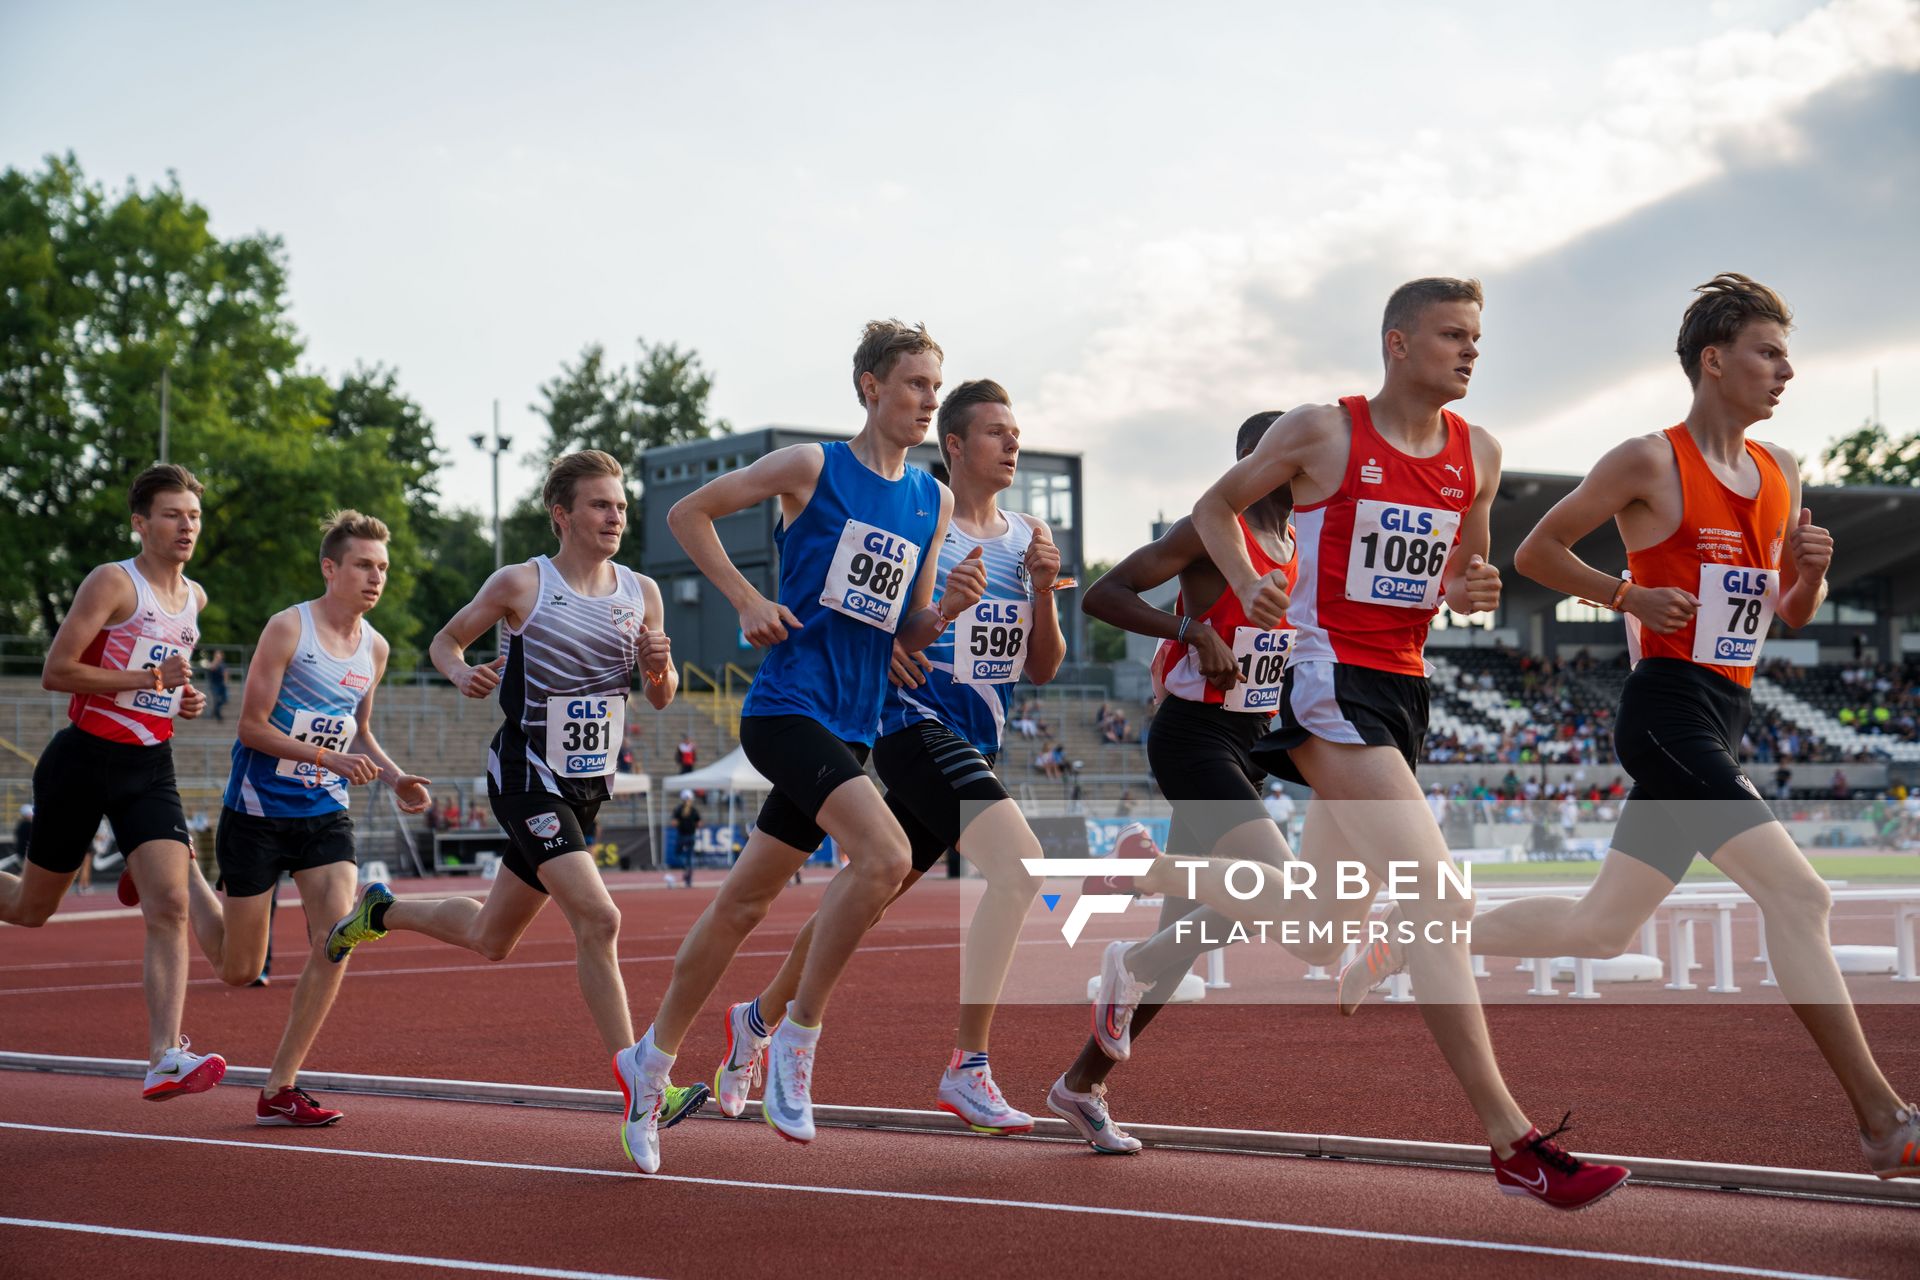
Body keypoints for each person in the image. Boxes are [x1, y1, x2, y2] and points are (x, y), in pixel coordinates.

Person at [1349, 273, 1918, 1180]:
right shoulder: (1649, 461)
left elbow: (1788, 613)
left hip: (1726, 711)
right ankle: (1884, 1120)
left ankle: (1413, 939)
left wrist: (1809, 573)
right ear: (1714, 360)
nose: (1786, 371)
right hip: (1666, 710)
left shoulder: (1781, 471)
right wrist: (1626, 592)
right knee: (1800, 896)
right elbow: (1537, 549)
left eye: (1786, 354)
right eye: (1769, 353)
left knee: (1600, 928)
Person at [1112, 279, 1628, 1208]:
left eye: (1478, 337)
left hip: (1405, 689)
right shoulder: (1325, 431)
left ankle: (1164, 876)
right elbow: (1216, 506)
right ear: (1397, 343)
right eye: (1451, 335)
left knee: (1318, 938)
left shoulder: (1481, 453)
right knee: (1438, 893)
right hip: (1324, 682)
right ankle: (1511, 1141)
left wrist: (1470, 593)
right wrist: (1250, 587)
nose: (1470, 351)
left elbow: (1462, 574)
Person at [618, 319, 982, 1173]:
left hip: (852, 725)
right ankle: (795, 1038)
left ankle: (652, 1060)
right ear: (869, 387)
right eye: (914, 385)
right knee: (887, 856)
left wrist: (950, 607)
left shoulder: (929, 500)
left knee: (742, 905)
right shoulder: (814, 468)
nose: (928, 401)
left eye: (936, 386)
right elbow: (687, 512)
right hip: (787, 709)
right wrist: (746, 598)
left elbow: (908, 629)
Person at [708, 377, 1060, 1137]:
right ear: (957, 446)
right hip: (911, 726)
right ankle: (969, 1068)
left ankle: (757, 1021)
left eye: (1017, 432)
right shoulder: (924, 509)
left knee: (865, 898)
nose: (1013, 445)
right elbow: (893, 624)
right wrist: (907, 641)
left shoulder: (1029, 537)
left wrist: (1044, 591)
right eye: (997, 432)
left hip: (980, 739)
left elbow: (1043, 668)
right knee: (1020, 866)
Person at [323, 452, 706, 1133]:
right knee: (601, 918)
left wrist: (659, 670)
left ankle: (381, 913)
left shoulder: (640, 592)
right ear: (562, 515)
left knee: (490, 936)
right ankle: (641, 1081)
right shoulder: (523, 584)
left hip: (588, 784)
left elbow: (662, 694)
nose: (615, 515)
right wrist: (460, 670)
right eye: (599, 505)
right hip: (526, 773)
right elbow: (446, 641)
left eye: (620, 505)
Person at [1058, 411, 1304, 1153]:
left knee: (1183, 937)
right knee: (1275, 887)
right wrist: (1190, 630)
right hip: (1194, 738)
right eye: (1295, 454)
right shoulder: (1212, 529)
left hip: (1249, 743)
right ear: (1257, 461)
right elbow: (1103, 594)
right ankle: (1127, 957)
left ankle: (1080, 1084)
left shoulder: (1303, 542)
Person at [179, 511, 432, 1125]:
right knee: (240, 970)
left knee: (336, 941)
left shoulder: (375, 645)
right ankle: (182, 869)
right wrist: (329, 757)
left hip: (324, 812)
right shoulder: (289, 627)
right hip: (258, 812)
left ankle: (279, 1087)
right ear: (330, 568)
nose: (376, 578)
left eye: (383, 568)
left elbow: (362, 731)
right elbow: (251, 727)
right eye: (364, 566)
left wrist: (395, 777)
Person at [0, 463, 227, 1100]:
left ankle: (163, 1057)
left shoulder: (196, 598)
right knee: (30, 908)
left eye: (194, 516)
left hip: (149, 768)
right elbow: (57, 671)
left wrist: (183, 698)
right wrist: (152, 680)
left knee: (172, 905)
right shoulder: (113, 581)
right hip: (83, 760)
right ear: (140, 523)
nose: (187, 526)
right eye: (172, 515)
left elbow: (168, 682)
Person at [672, 790, 702, 888]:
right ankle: (689, 879)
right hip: (691, 835)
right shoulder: (694, 810)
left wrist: (681, 823)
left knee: (678, 854)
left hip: (682, 835)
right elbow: (699, 823)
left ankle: (685, 867)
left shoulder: (678, 809)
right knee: (690, 858)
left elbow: (674, 823)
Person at [206, 649, 229, 721]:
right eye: (217, 655)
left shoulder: (223, 664)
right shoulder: (213, 663)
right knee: (216, 699)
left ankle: (216, 711)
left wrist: (225, 682)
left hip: (222, 684)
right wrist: (216, 661)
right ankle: (218, 715)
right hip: (214, 684)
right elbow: (212, 668)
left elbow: (225, 673)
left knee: (225, 699)